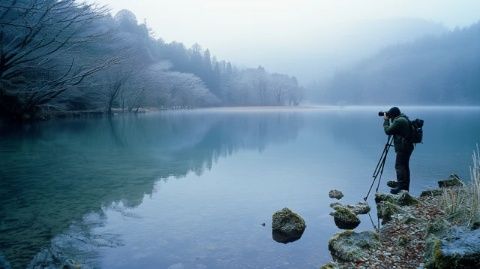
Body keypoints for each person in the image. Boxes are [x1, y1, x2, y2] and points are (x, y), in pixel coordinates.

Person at [383, 107, 414, 194]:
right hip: (407, 146)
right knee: (404, 167)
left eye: (389, 114)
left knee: (399, 166)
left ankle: (401, 188)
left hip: (403, 147)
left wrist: (386, 120)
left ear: (393, 115)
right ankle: (404, 188)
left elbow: (388, 131)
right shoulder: (403, 118)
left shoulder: (399, 121)